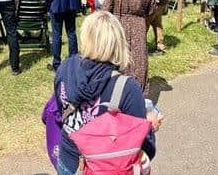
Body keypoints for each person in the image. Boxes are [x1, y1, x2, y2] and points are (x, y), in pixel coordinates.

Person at [54, 11, 160, 175]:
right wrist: (150, 125)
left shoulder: (65, 68)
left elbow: (60, 108)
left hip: (68, 159)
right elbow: (140, 146)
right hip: (106, 167)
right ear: (118, 43)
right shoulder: (127, 88)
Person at [104, 0, 156, 92]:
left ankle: (115, 90)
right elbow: (151, 11)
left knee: (116, 58)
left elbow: (106, 7)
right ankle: (137, 92)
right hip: (138, 25)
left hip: (118, 24)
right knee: (138, 60)